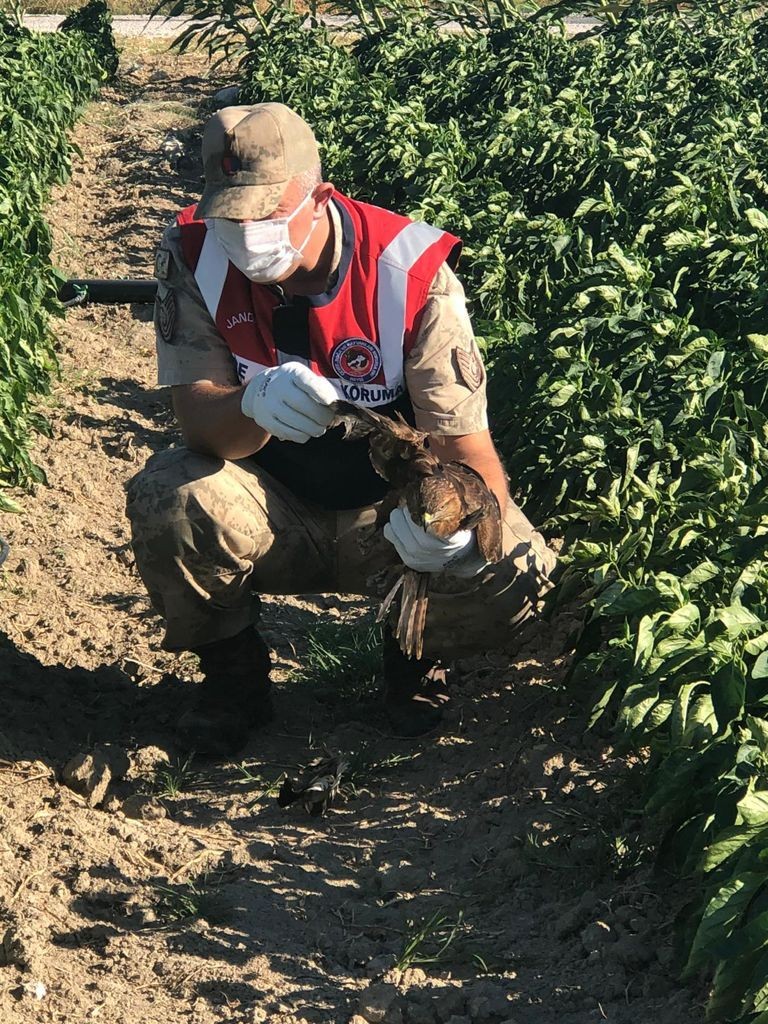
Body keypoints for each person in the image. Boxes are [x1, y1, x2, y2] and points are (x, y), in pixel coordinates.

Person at [126, 103, 557, 757]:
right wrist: (251, 404)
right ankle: (232, 679)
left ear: (321, 197)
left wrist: (453, 534)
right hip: (272, 509)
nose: (245, 233)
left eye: (267, 213)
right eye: (229, 214)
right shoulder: (195, 256)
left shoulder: (409, 275)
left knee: (516, 570)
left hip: (385, 518)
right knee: (170, 496)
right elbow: (198, 423)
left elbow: (468, 451)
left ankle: (415, 655)